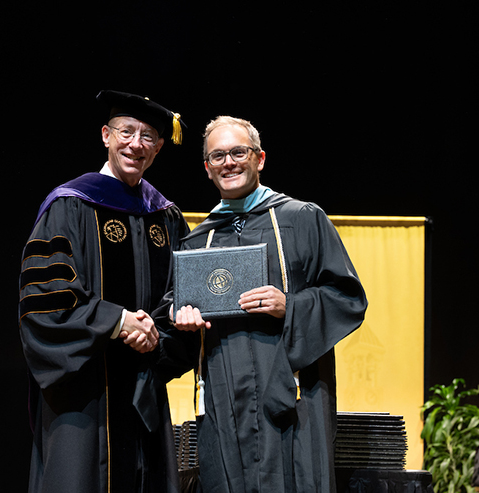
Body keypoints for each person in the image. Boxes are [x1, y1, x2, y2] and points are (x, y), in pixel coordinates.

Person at [158, 116, 368, 492]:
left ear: (260, 158)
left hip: (291, 398)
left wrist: (291, 305)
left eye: (239, 152)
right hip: (224, 402)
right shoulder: (198, 241)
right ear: (207, 169)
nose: (229, 162)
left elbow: (347, 297)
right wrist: (178, 317)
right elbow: (176, 318)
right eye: (217, 156)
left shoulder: (302, 219)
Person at [18, 90, 189, 492]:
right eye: (126, 131)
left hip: (143, 388)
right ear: (106, 136)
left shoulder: (165, 216)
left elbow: (183, 292)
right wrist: (118, 321)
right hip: (84, 391)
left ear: (160, 147)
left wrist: (154, 334)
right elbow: (48, 297)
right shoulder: (70, 205)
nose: (136, 143)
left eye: (148, 136)